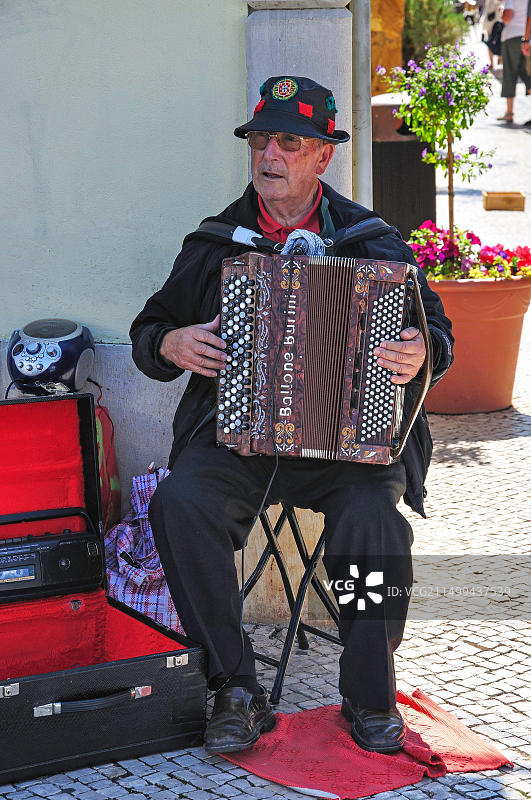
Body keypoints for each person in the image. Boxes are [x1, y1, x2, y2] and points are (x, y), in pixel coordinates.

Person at [130, 76, 454, 756]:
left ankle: (368, 693)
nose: (268, 154)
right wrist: (171, 343)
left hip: (347, 450)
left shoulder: (371, 241)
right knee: (179, 504)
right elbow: (149, 329)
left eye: (289, 141)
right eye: (260, 140)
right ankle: (234, 686)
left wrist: (419, 350)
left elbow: (439, 336)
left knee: (375, 524)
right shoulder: (218, 242)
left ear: (322, 156)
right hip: (240, 445)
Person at [497, 0, 531, 122]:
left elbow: (507, 16)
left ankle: (509, 112)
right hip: (527, 35)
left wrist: (501, 13)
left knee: (509, 74)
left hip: (512, 36)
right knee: (528, 75)